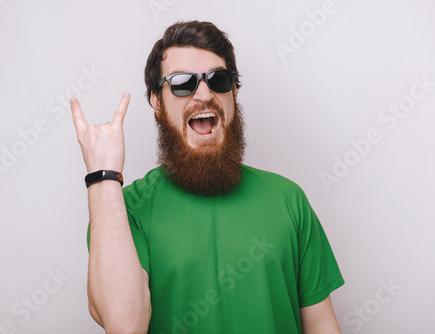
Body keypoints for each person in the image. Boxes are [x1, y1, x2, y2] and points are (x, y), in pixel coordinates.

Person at [70, 21, 344, 334]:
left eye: (219, 79)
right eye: (182, 83)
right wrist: (102, 175)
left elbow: (322, 326)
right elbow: (124, 325)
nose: (204, 93)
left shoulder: (288, 199)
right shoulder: (124, 210)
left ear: (234, 92)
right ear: (157, 102)